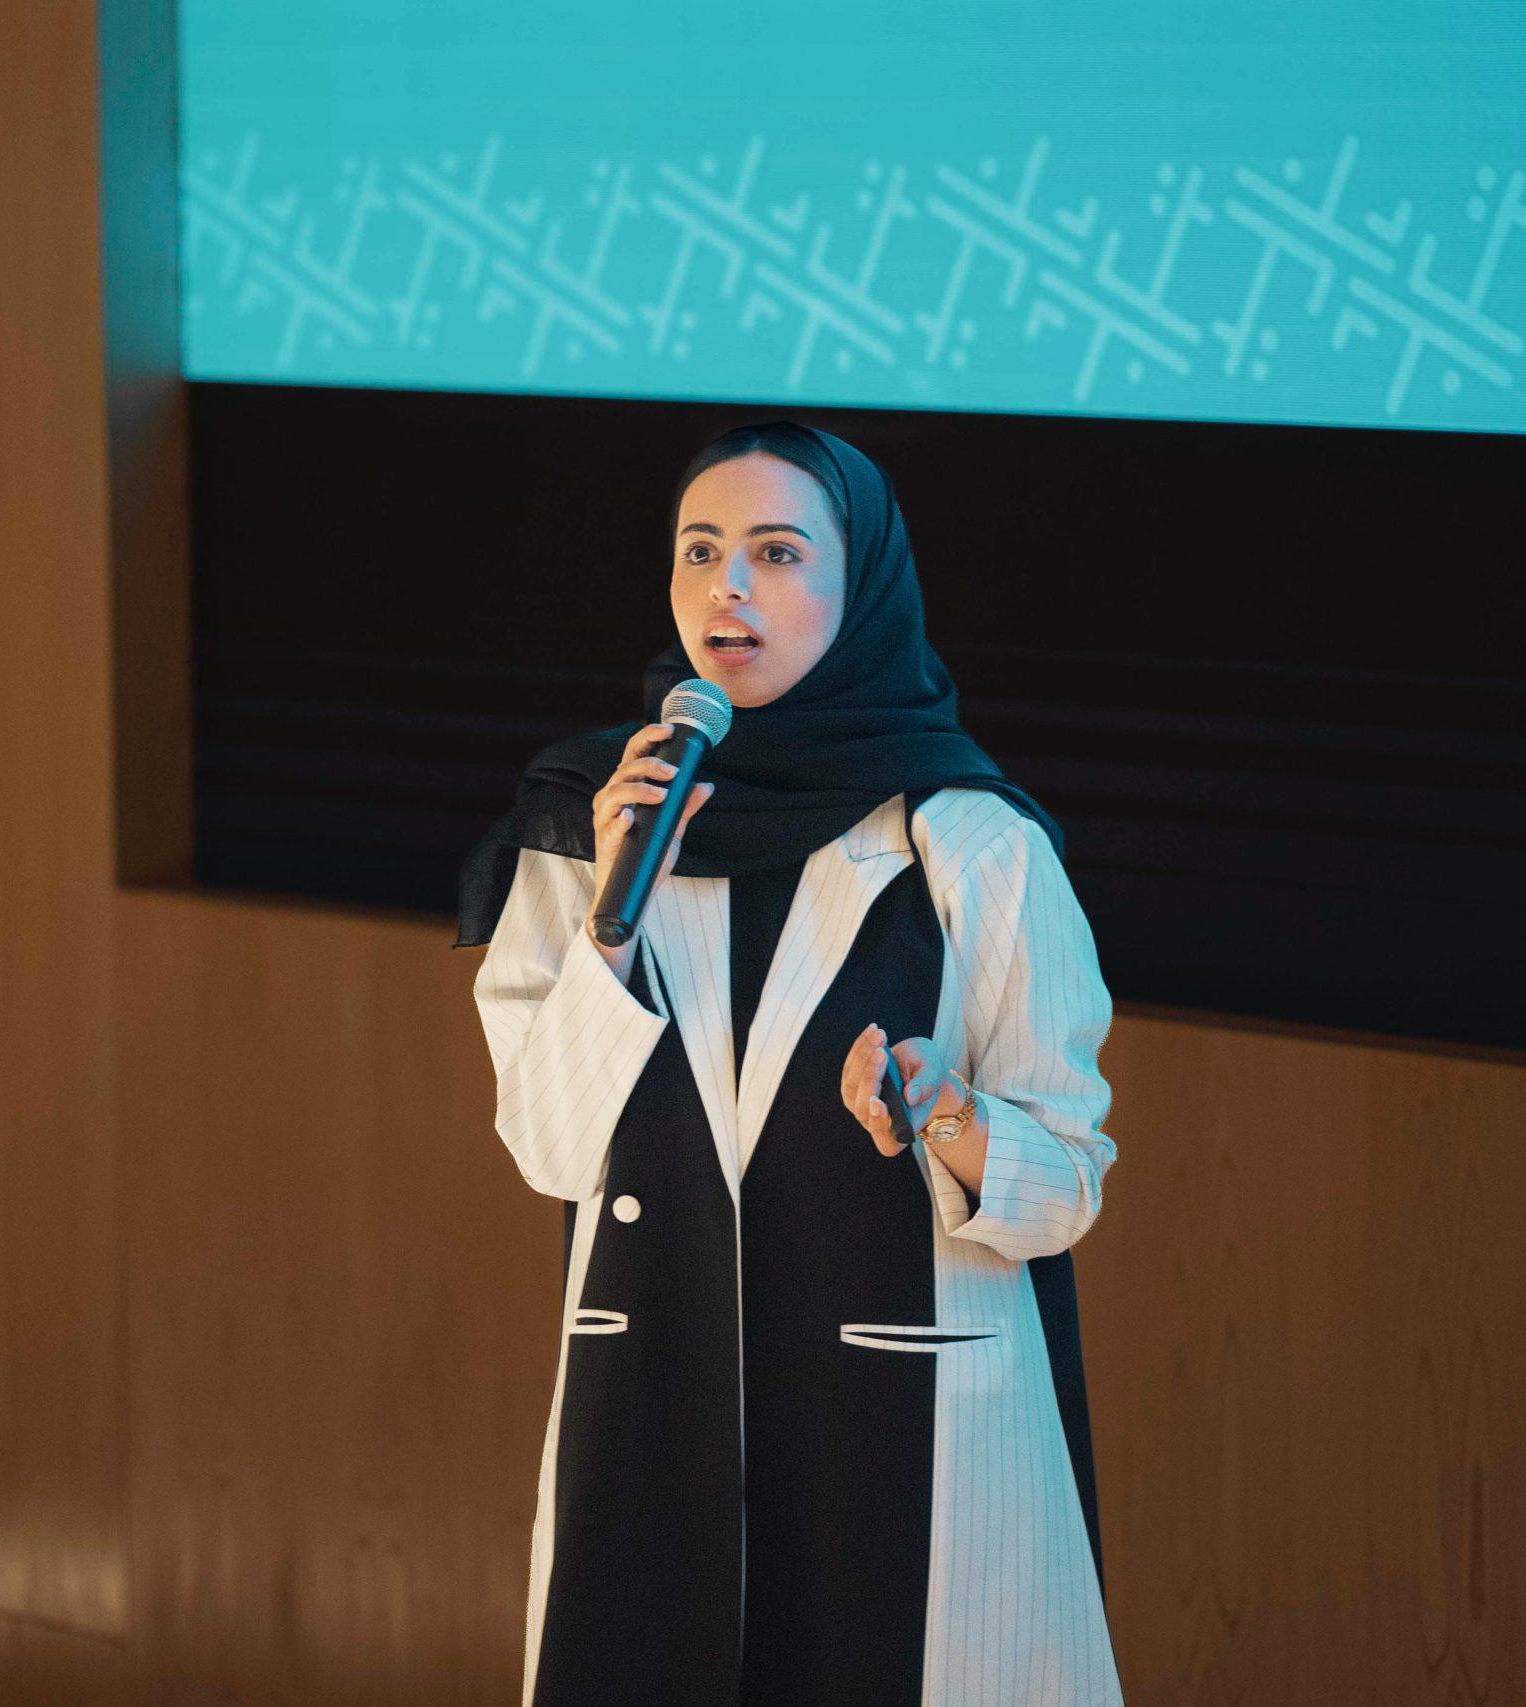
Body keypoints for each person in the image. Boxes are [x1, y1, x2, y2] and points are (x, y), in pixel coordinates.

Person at [455, 420, 1124, 1705]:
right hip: (651, 1416)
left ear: (859, 582)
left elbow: (1065, 1188)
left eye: (776, 553)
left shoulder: (971, 841)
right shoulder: (588, 825)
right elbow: (545, 1145)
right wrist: (611, 922)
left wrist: (948, 1114)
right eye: (700, 551)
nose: (730, 589)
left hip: (899, 1446)